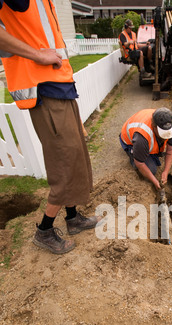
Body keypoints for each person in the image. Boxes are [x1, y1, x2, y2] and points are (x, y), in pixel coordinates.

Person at [0, 0, 100, 255]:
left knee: (75, 158)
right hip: (43, 90)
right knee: (63, 164)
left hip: (61, 87)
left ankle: (72, 217)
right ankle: (44, 230)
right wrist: (37, 54)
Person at [120, 108, 172, 190]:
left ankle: (151, 152)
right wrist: (155, 181)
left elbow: (171, 149)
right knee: (151, 170)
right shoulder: (141, 136)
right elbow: (140, 163)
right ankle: (132, 154)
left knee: (152, 154)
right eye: (163, 134)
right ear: (154, 127)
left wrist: (166, 172)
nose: (165, 137)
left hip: (143, 131)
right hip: (129, 140)